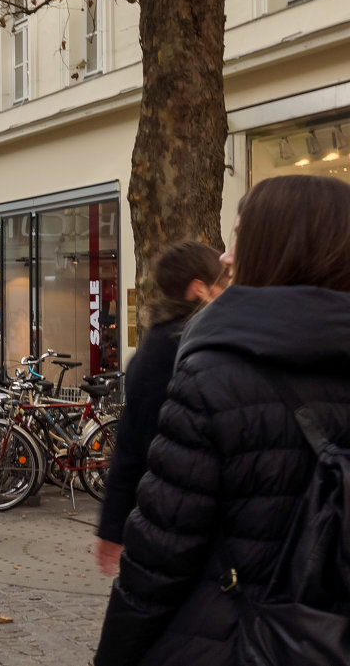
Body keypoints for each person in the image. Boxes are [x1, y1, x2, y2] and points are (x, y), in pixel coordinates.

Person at [93, 175, 350, 666]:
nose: (226, 258)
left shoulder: (214, 375)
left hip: (238, 638)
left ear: (278, 248)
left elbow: (159, 557)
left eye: (237, 238)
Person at [94, 241, 224, 577]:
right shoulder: (185, 349)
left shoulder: (153, 349)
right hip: (180, 519)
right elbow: (134, 444)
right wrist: (113, 526)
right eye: (223, 285)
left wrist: (112, 525)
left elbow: (128, 443)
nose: (229, 293)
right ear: (200, 290)